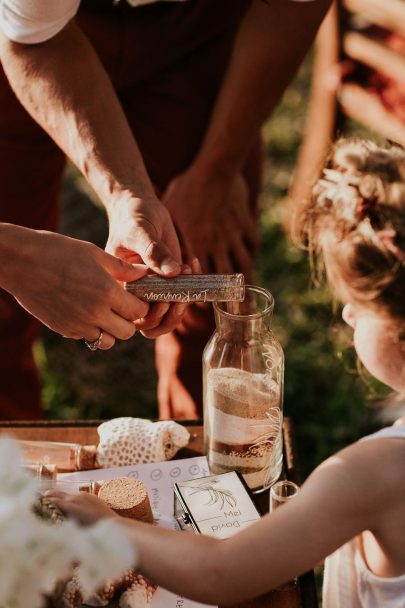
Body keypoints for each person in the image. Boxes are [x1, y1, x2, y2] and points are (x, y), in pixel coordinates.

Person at [48, 139, 405, 606]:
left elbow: (221, 572)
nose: (346, 317)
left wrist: (107, 523)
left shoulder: (372, 473)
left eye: (357, 307)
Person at [0, 0, 331, 420]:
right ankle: (11, 474)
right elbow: (35, 40)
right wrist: (121, 193)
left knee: (208, 273)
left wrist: (215, 170)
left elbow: (295, 8)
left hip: (195, 30)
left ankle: (202, 469)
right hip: (29, 34)